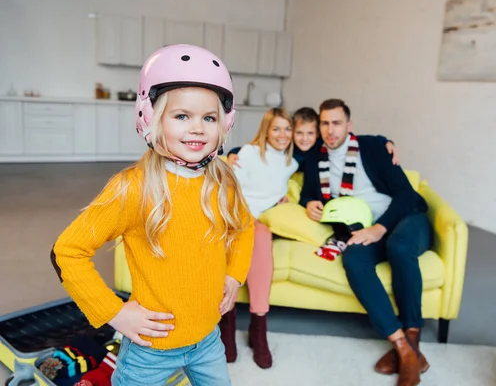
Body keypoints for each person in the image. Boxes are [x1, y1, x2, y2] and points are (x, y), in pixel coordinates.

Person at [50, 45, 254, 386]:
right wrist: (114, 313)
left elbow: (245, 228)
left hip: (207, 339)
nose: (198, 129)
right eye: (181, 116)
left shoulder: (223, 181)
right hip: (151, 349)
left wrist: (234, 276)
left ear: (224, 124)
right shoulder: (132, 188)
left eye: (209, 117)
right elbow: (68, 252)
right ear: (151, 117)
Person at [299, 98, 432, 386]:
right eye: (324, 123)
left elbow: (406, 194)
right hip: (364, 228)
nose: (330, 130)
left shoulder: (372, 147)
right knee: (354, 259)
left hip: (405, 218)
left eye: (336, 123)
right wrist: (309, 202)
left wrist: (380, 228)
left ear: (349, 125)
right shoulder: (314, 159)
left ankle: (413, 336)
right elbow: (307, 191)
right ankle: (404, 349)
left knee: (399, 247)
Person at [219, 108, 298, 369]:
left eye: (288, 129)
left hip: (261, 222)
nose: (283, 135)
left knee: (261, 239)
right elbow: (232, 189)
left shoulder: (292, 163)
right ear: (266, 130)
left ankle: (258, 327)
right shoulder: (248, 154)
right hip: (237, 216)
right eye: (276, 128)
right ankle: (227, 328)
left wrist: (282, 200)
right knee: (242, 238)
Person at [226, 106, 399, 170]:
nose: (304, 139)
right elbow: (257, 147)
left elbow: (357, 138)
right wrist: (232, 154)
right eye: (299, 133)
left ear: (317, 135)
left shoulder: (322, 147)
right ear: (293, 133)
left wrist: (385, 142)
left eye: (310, 134)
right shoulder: (288, 149)